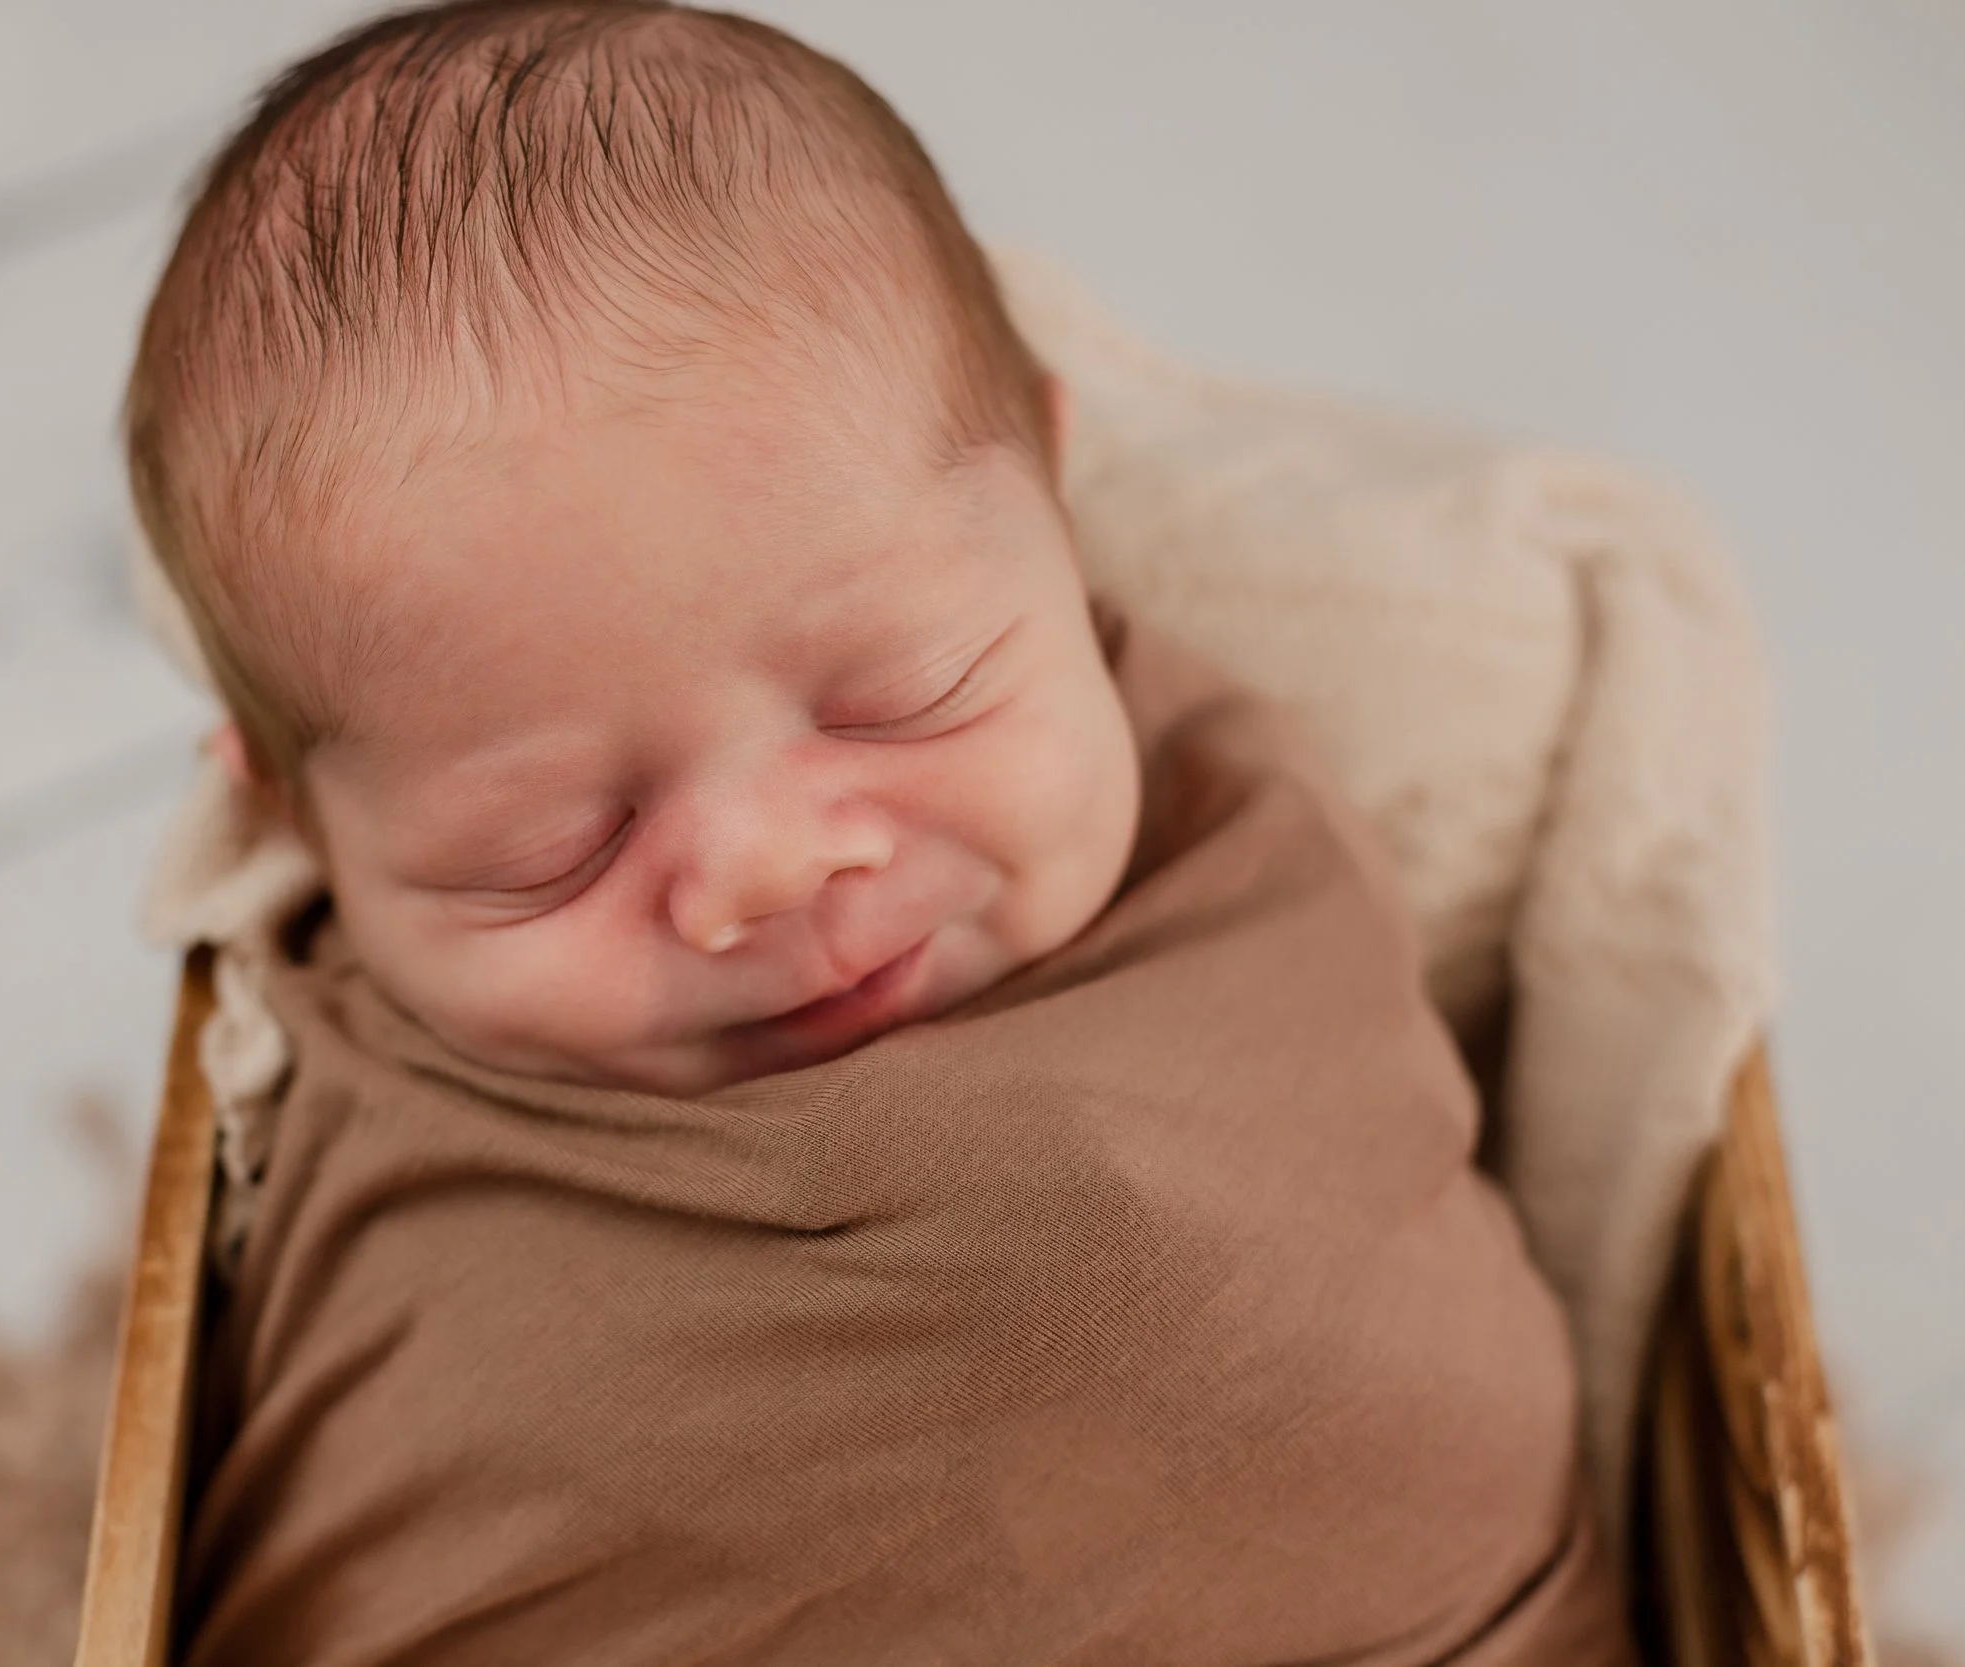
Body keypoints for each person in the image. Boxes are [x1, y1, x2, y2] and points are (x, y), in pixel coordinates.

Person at [124, 2, 1639, 1660]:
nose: (773, 870)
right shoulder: (423, 1212)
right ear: (298, 820)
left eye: (903, 693)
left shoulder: (1231, 821)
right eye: (548, 844)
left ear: (1057, 512)